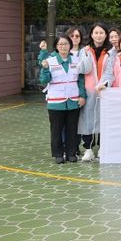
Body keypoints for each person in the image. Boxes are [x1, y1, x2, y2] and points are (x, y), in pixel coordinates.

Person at [39, 35, 86, 163]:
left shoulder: (77, 60)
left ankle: (71, 153)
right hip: (56, 101)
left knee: (72, 129)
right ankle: (58, 154)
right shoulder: (50, 61)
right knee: (56, 130)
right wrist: (44, 69)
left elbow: (81, 80)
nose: (63, 46)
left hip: (73, 100)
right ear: (56, 46)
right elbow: (44, 80)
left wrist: (82, 96)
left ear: (70, 45)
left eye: (65, 44)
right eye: (60, 44)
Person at [76, 23, 115, 162]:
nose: (98, 35)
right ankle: (88, 149)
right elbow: (84, 69)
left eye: (101, 33)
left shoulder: (111, 51)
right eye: (96, 33)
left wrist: (104, 84)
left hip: (105, 90)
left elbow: (110, 71)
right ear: (91, 35)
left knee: (104, 119)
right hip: (89, 90)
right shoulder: (84, 50)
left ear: (106, 35)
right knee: (88, 119)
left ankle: (102, 148)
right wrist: (87, 55)